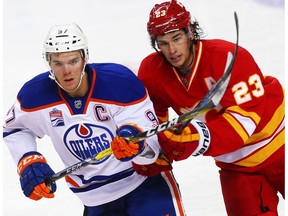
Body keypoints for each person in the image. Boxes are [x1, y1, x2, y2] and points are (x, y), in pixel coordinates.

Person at [3, 23, 186, 216]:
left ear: (84, 58)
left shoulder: (119, 83)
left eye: (73, 61)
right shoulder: (34, 95)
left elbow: (152, 151)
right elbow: (14, 128)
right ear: (48, 62)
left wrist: (137, 144)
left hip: (145, 186)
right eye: (58, 63)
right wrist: (28, 160)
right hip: (95, 199)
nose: (66, 71)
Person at [135, 0, 284, 215]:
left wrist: (193, 138)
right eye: (163, 43)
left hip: (279, 146)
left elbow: (245, 122)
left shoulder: (228, 56)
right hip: (236, 166)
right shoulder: (152, 71)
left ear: (190, 33)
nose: (172, 50)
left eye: (176, 38)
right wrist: (147, 150)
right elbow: (152, 120)